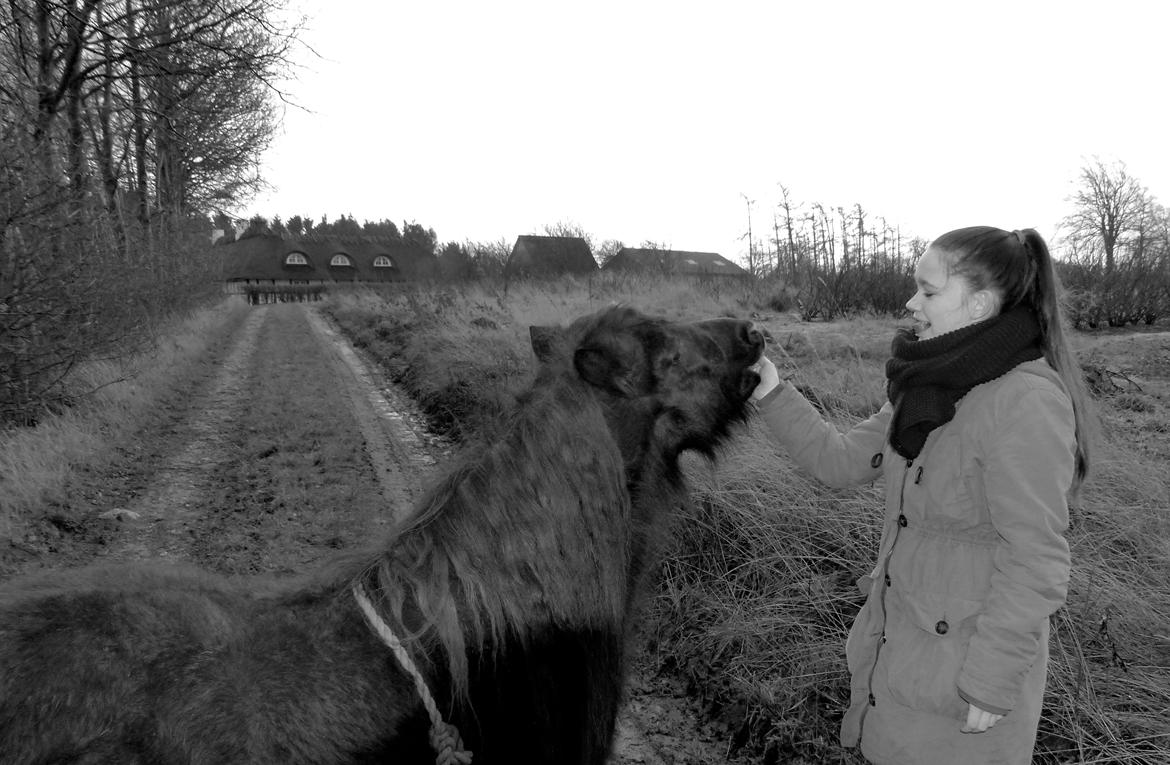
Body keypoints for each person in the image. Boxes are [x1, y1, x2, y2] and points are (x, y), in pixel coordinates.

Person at [750, 226, 1095, 765]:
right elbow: (839, 462)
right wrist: (771, 391)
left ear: (978, 304)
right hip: (900, 661)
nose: (912, 303)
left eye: (929, 292)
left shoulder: (1024, 402)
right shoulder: (925, 386)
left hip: (969, 691)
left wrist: (992, 680)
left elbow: (1036, 556)